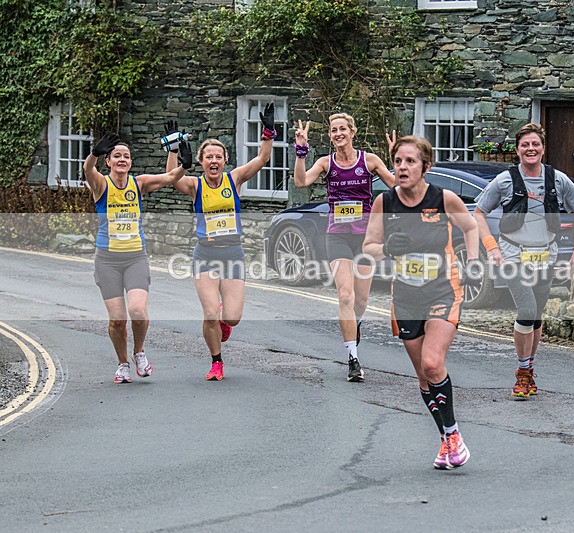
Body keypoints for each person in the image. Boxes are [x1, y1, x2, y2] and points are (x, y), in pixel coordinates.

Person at [363, 135, 481, 469]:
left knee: (432, 363)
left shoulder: (443, 198)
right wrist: (386, 249)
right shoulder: (385, 202)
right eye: (398, 161)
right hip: (406, 297)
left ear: (425, 167)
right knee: (423, 376)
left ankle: (453, 434)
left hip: (443, 290)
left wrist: (472, 262)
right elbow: (369, 245)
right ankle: (447, 440)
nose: (402, 168)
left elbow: (471, 227)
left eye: (410, 161)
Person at [473, 123, 574, 399]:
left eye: (535, 144)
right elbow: (478, 213)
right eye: (525, 145)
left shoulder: (557, 179)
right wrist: (492, 248)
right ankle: (522, 372)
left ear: (543, 149)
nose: (530, 149)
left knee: (536, 316)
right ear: (518, 150)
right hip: (513, 255)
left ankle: (529, 369)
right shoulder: (504, 180)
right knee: (526, 309)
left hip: (546, 255)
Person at [165, 106, 276, 381]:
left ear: (225, 160)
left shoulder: (234, 179)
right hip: (205, 254)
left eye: (218, 156)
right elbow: (170, 177)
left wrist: (268, 132)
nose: (213, 161)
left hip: (233, 254)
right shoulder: (195, 185)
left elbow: (262, 158)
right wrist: (173, 149)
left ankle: (225, 320)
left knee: (232, 317)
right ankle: (216, 362)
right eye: (208, 157)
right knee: (210, 312)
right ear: (201, 161)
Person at [83, 132, 192, 383]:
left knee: (138, 310)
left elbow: (170, 177)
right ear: (109, 162)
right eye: (117, 156)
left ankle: (139, 352)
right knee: (117, 320)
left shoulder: (138, 183)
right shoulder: (101, 185)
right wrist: (94, 154)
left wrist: (184, 165)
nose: (122, 159)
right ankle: (122, 364)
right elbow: (88, 170)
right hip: (107, 260)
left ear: (131, 162)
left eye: (126, 156)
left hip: (135, 258)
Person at [293, 113, 394, 382]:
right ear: (330, 135)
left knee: (361, 300)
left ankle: (355, 323)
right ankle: (353, 358)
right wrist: (301, 152)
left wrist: (396, 159)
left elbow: (397, 185)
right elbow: (301, 182)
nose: (338, 134)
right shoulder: (326, 163)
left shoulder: (369, 161)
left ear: (352, 132)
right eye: (333, 130)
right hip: (337, 236)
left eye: (342, 129)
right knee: (346, 296)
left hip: (365, 239)